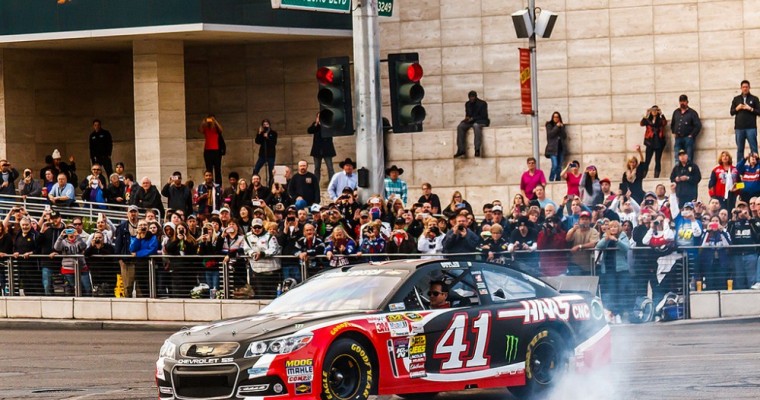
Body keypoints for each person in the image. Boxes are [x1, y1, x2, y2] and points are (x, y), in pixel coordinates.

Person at [595, 220, 631, 323]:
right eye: (611, 227)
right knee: (610, 292)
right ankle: (611, 313)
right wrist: (606, 239)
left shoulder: (622, 236)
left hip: (620, 270)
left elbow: (626, 248)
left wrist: (616, 240)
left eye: (615, 227)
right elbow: (598, 246)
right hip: (608, 269)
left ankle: (618, 313)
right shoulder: (606, 236)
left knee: (620, 292)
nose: (613, 229)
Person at [241, 218, 281, 299]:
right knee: (260, 296)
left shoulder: (270, 236)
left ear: (262, 227)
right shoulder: (247, 237)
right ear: (251, 228)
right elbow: (246, 249)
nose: (257, 229)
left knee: (273, 297)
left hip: (272, 272)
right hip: (257, 272)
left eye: (259, 227)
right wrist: (253, 253)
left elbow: (274, 249)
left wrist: (262, 254)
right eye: (255, 227)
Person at [54, 225, 89, 296]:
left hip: (81, 268)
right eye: (68, 230)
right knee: (71, 289)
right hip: (68, 269)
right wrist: (61, 236)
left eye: (72, 230)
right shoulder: (63, 241)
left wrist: (78, 236)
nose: (70, 232)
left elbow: (83, 247)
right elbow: (56, 248)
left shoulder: (79, 239)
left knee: (87, 288)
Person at [731, 80, 760, 161]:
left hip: (751, 128)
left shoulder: (754, 99)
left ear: (749, 87)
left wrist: (750, 108)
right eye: (743, 87)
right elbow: (731, 112)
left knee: (754, 149)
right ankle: (740, 170)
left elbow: (759, 112)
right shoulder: (736, 99)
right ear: (741, 88)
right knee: (740, 150)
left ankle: (757, 169)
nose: (745, 89)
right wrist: (737, 108)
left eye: (746, 87)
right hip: (739, 128)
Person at [454, 90, 489, 158]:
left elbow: (484, 116)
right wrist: (466, 119)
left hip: (481, 121)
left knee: (476, 126)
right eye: (470, 97)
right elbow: (468, 114)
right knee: (460, 126)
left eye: (473, 97)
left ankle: (477, 149)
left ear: (476, 97)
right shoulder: (467, 104)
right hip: (471, 122)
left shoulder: (482, 103)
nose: (471, 99)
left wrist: (473, 118)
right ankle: (461, 150)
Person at [565, 211, 599, 275]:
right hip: (575, 263)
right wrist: (573, 230)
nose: (584, 221)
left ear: (590, 221)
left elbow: (593, 244)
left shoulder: (593, 231)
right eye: (582, 219)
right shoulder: (574, 230)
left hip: (588, 265)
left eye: (586, 219)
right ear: (579, 220)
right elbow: (567, 239)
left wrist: (579, 246)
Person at [307, 112, 336, 182]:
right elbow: (309, 131)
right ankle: (316, 184)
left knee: (330, 168)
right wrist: (316, 124)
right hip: (317, 149)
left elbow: (332, 131)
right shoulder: (316, 125)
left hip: (327, 149)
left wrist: (324, 123)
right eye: (318, 117)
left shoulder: (328, 123)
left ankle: (332, 183)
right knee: (317, 168)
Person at [641, 105, 667, 178]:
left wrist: (662, 114)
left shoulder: (660, 120)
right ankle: (643, 176)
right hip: (650, 142)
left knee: (657, 160)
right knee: (647, 160)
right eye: (653, 110)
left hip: (659, 142)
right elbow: (642, 123)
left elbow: (665, 123)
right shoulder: (648, 120)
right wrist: (646, 114)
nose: (654, 112)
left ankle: (656, 177)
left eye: (656, 110)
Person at [199, 115, 225, 184]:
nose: (210, 121)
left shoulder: (216, 128)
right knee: (209, 169)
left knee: (217, 169)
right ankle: (210, 183)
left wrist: (215, 121)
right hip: (208, 151)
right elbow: (200, 130)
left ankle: (218, 185)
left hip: (216, 151)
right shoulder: (206, 128)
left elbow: (221, 130)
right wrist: (204, 121)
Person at [253, 119, 277, 185]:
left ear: (269, 125)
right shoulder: (261, 133)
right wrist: (259, 133)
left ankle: (270, 186)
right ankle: (254, 183)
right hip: (262, 155)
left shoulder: (273, 133)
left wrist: (268, 137)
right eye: (264, 125)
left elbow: (274, 143)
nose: (265, 126)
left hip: (271, 155)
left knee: (271, 172)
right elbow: (257, 141)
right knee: (256, 169)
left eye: (267, 124)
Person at [545, 111, 567, 181]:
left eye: (557, 117)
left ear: (559, 118)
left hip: (560, 148)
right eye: (554, 117)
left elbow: (564, 136)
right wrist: (557, 127)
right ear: (552, 117)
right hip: (552, 148)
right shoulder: (549, 125)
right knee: (554, 165)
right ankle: (551, 179)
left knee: (559, 166)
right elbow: (550, 135)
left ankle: (558, 179)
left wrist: (562, 127)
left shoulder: (561, 125)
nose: (556, 118)